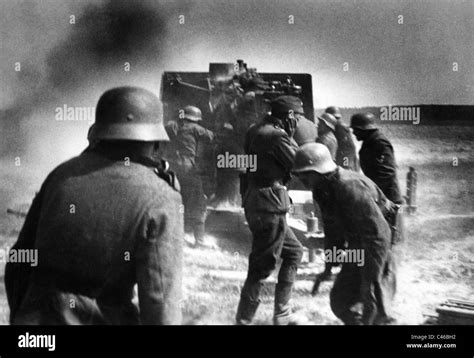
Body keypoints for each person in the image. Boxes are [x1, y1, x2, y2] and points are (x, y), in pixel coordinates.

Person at [5, 86, 183, 325]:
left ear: (99, 133)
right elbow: (160, 302)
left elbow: (19, 260)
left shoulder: (61, 175)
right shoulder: (161, 198)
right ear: (153, 142)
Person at [292, 143, 398, 325]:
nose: (301, 179)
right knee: (341, 301)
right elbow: (333, 230)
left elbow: (378, 233)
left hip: (380, 239)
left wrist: (371, 277)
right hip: (360, 240)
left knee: (375, 300)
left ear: (319, 171)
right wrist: (329, 267)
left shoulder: (349, 187)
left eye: (304, 174)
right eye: (299, 174)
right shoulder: (322, 190)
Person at [236, 95, 304, 325]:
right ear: (289, 116)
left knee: (294, 251)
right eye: (297, 118)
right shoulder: (278, 136)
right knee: (262, 266)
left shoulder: (255, 129)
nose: (297, 123)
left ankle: (282, 314)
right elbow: (299, 165)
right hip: (270, 205)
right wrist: (292, 140)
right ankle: (244, 320)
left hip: (256, 201)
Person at [350, 112, 404, 243]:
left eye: (356, 130)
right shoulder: (370, 141)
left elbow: (388, 172)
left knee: (387, 237)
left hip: (388, 198)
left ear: (364, 129)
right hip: (380, 196)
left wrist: (371, 190)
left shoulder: (379, 142)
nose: (354, 133)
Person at [165, 105, 214, 247]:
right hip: (188, 169)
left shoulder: (172, 125)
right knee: (198, 203)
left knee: (175, 201)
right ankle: (199, 241)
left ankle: (171, 236)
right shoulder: (195, 128)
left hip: (172, 167)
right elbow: (211, 136)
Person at [325, 106, 359, 171]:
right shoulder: (338, 125)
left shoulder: (340, 126)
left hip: (346, 157)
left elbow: (347, 147)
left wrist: (346, 164)